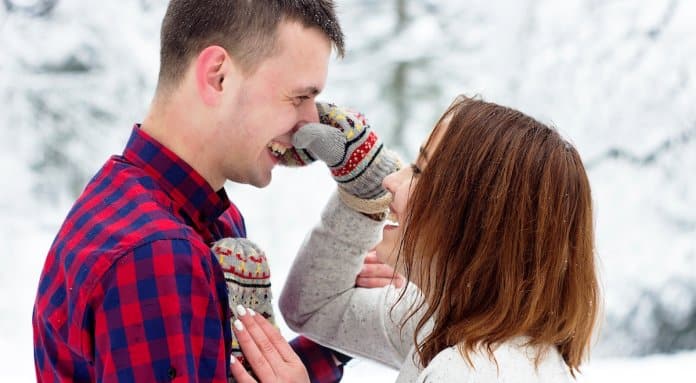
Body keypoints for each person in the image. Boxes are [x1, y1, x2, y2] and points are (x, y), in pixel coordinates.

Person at [32, 1, 396, 382]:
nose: (310, 123)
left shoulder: (193, 216)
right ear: (218, 76)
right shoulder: (158, 256)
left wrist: (337, 324)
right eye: (299, 97)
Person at [228, 95, 601, 382]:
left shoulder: (470, 371)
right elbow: (313, 308)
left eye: (419, 170)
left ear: (470, 219)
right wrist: (362, 188)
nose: (393, 180)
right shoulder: (445, 323)